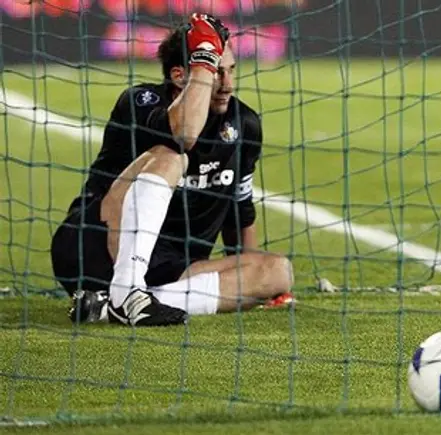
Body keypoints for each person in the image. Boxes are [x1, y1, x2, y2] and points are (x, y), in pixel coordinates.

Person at [50, 13, 294, 327]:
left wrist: (249, 277)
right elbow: (184, 134)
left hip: (173, 264)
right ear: (180, 76)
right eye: (215, 73)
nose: (227, 85)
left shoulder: (243, 124)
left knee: (277, 272)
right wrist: (203, 56)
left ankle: (111, 304)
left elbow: (240, 210)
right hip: (95, 247)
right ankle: (127, 292)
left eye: (231, 70)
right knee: (172, 157)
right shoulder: (140, 103)